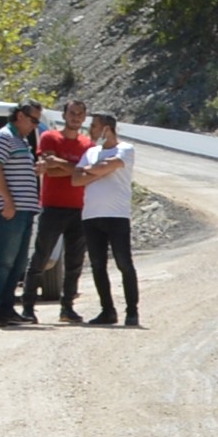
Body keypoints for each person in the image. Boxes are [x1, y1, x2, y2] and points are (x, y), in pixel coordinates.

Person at [0, 97, 45, 327]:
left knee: (18, 263)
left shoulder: (22, 141)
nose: (35, 126)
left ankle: (6, 307)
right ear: (20, 116)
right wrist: (8, 201)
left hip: (26, 210)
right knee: (5, 260)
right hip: (10, 210)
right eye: (33, 120)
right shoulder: (3, 136)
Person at [76, 117, 140, 325]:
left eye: (94, 125)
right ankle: (107, 310)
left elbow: (111, 165)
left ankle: (132, 311)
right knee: (97, 265)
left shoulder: (126, 148)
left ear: (106, 128)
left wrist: (91, 171)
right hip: (91, 215)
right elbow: (75, 179)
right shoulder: (91, 152)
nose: (90, 129)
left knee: (124, 263)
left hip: (117, 215)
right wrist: (99, 170)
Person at [37, 96, 94, 320]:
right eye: (72, 113)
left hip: (79, 208)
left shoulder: (87, 144)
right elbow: (49, 170)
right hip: (53, 207)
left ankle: (67, 307)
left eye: (80, 114)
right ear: (64, 115)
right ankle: (29, 306)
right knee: (41, 257)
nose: (76, 118)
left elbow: (86, 173)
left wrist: (61, 164)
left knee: (75, 261)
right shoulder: (49, 137)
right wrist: (75, 169)